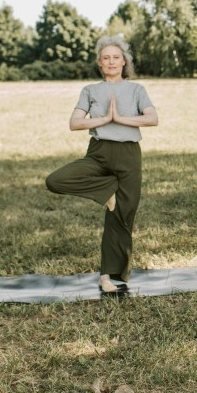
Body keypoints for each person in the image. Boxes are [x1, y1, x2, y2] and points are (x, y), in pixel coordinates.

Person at [45, 35, 158, 292]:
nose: (111, 61)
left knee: (122, 216)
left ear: (124, 61)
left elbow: (152, 119)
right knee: (55, 180)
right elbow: (75, 123)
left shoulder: (137, 90)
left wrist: (120, 118)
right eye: (106, 58)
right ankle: (106, 192)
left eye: (116, 57)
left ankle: (107, 276)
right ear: (100, 63)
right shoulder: (90, 91)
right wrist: (104, 120)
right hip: (99, 153)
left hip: (129, 155)